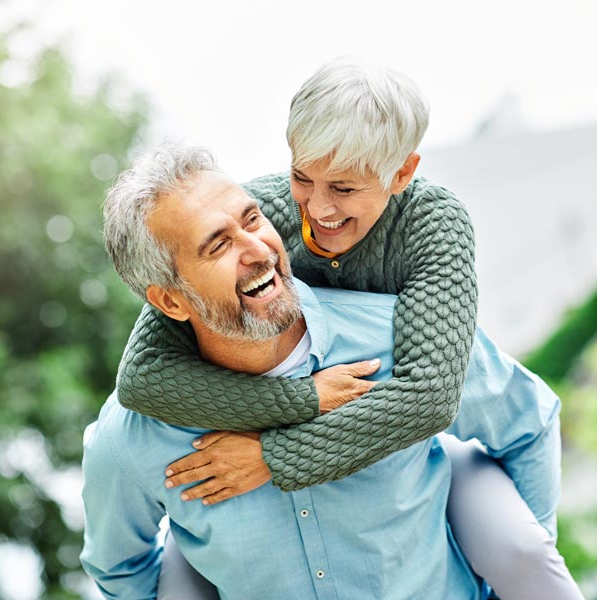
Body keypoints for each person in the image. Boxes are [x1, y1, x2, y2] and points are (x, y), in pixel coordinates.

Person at [80, 144, 583, 599]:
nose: (256, 250)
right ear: (170, 300)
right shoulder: (132, 440)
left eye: (252, 219)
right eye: (217, 246)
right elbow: (119, 570)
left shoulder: (398, 338)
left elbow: (529, 422)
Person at [114, 56, 477, 497]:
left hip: (464, 442)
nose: (318, 208)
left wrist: (273, 455)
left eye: (344, 188)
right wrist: (304, 399)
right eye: (302, 177)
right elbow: (142, 377)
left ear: (401, 172)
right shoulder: (255, 216)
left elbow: (428, 398)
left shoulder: (433, 223)